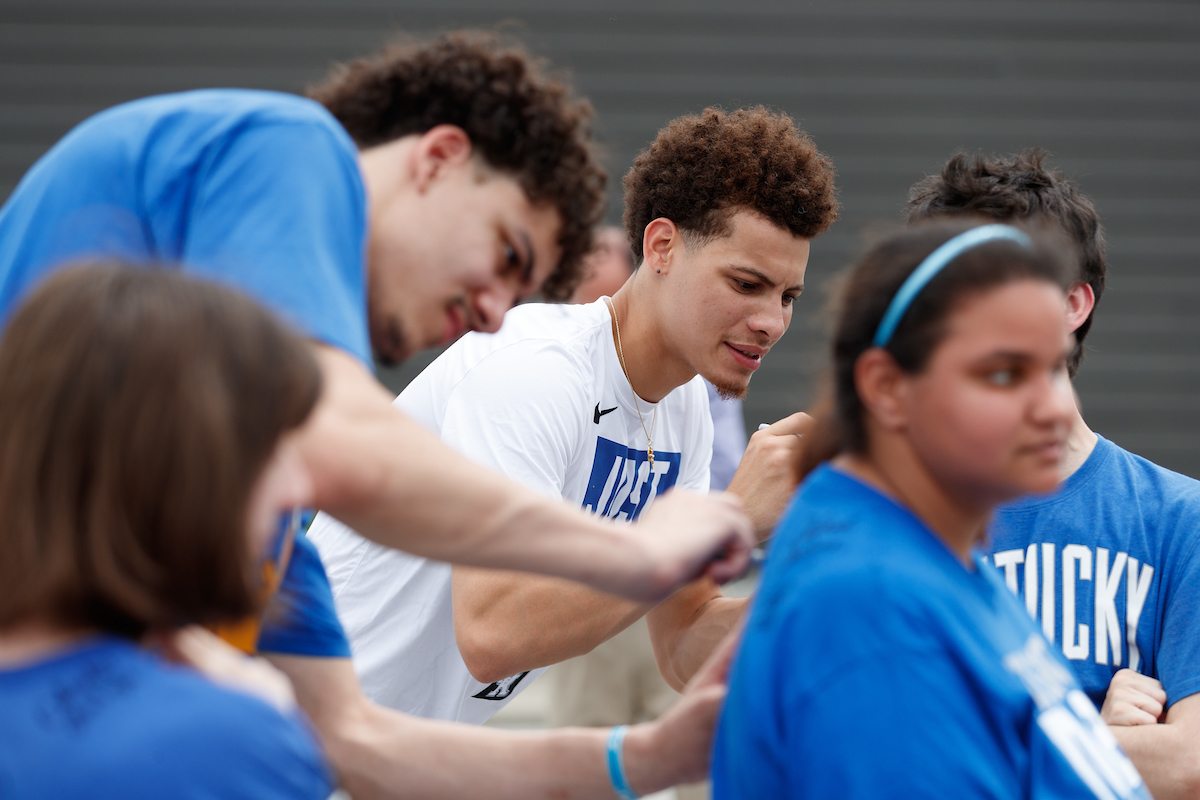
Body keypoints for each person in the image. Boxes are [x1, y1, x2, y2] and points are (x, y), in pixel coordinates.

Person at [0, 32, 753, 800]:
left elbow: (359, 743)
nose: (495, 314)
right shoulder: (290, 149)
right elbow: (350, 446)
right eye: (506, 254)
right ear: (439, 158)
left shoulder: (271, 522)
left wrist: (649, 757)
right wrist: (636, 554)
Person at [311, 106, 836, 723]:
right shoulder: (535, 369)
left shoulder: (685, 403)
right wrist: (731, 518)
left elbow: (683, 645)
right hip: (288, 741)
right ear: (661, 246)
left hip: (394, 752)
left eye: (788, 296)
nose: (772, 321)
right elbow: (492, 634)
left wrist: (827, 597)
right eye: (747, 284)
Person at [713, 220, 1150, 799]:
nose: (1052, 409)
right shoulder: (870, 605)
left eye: (1053, 368)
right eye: (1003, 374)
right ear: (887, 388)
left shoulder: (939, 552)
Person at [908, 150, 1200, 800]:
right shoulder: (905, 519)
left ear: (1073, 305)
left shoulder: (1181, 519)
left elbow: (1188, 764)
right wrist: (1088, 734)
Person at [0, 265, 334, 799]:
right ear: (185, 470)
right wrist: (266, 720)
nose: (296, 488)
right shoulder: (217, 744)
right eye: (271, 449)